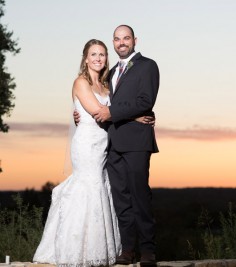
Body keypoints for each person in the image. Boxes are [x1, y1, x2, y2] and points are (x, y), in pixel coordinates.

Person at [33, 39, 151, 267]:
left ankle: (102, 248)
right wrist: (136, 116)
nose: (98, 58)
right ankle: (76, 249)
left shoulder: (107, 86)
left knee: (103, 189)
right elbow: (98, 112)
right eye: (93, 54)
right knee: (89, 186)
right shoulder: (80, 83)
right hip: (87, 145)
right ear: (85, 58)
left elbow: (114, 109)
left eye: (102, 54)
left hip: (104, 145)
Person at [92, 25, 160, 265]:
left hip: (137, 143)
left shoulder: (148, 66)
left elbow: (145, 100)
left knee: (140, 196)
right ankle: (127, 249)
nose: (122, 43)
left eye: (126, 38)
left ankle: (148, 250)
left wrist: (113, 112)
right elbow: (102, 105)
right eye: (118, 39)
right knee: (121, 199)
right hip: (114, 144)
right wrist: (83, 115)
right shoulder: (110, 73)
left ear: (134, 40)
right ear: (113, 42)